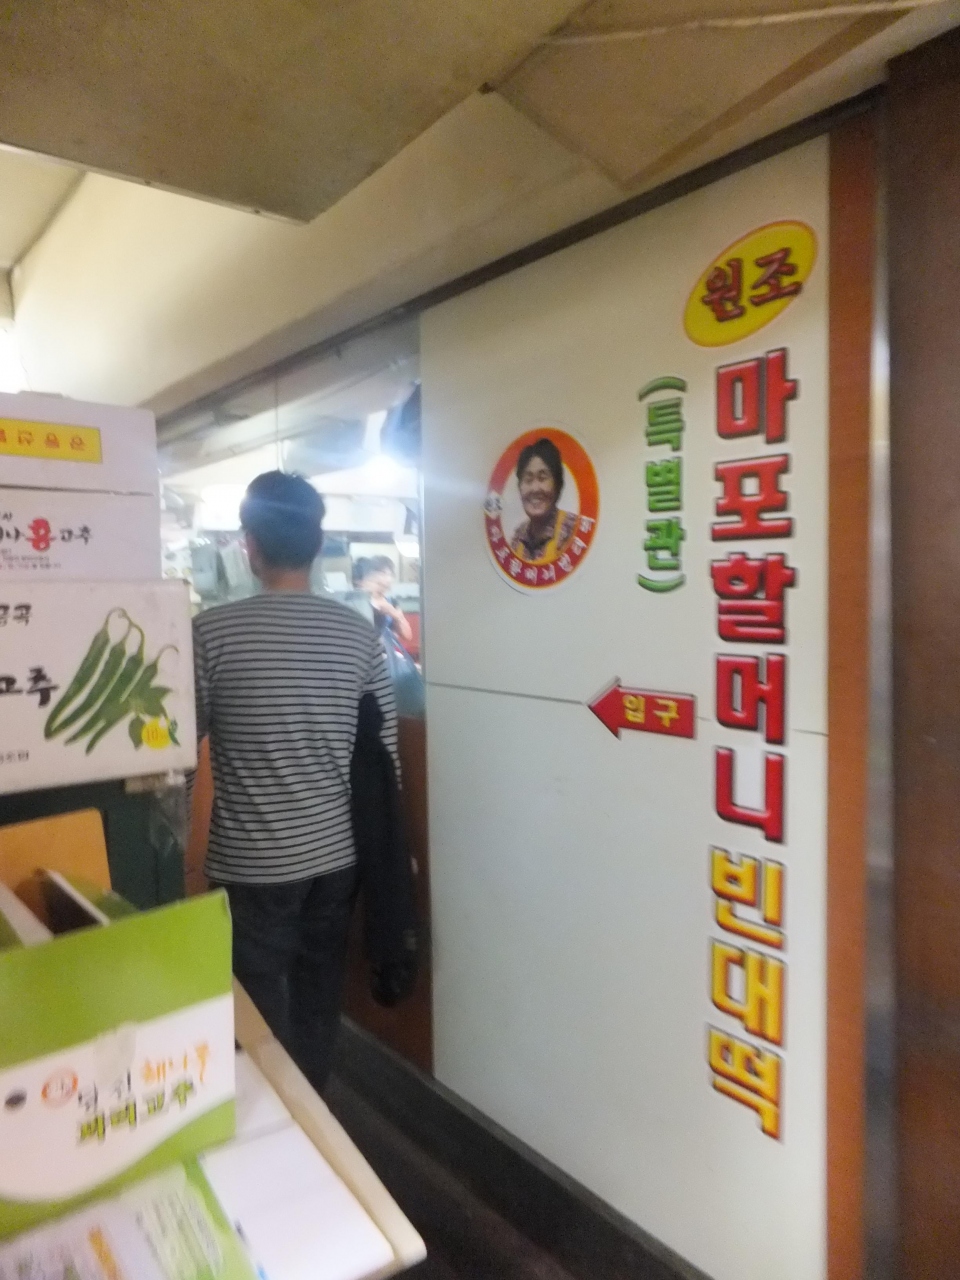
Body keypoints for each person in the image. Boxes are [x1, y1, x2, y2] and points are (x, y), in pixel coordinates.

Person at [191, 471, 398, 1092]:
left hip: (251, 862)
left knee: (253, 1005)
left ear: (249, 546)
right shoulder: (359, 636)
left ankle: (268, 1113)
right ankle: (312, 1109)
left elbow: (180, 744)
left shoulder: (211, 634)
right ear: (318, 543)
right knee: (318, 992)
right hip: (337, 859)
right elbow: (382, 755)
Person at [510, 437, 577, 564]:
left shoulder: (574, 530)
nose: (535, 488)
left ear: (558, 485)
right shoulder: (517, 538)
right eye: (528, 479)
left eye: (542, 478)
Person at [352, 555, 414, 645]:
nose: (387, 578)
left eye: (390, 574)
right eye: (382, 573)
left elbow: (407, 635)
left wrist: (395, 615)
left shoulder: (392, 602)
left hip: (385, 650)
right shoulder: (356, 601)